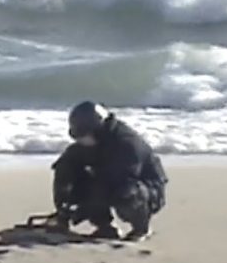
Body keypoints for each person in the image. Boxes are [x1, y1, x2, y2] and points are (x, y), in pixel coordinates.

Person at [50, 101, 168, 242]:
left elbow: (115, 180)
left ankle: (141, 228)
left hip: (146, 189)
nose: (79, 140)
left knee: (127, 192)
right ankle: (106, 228)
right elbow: (64, 167)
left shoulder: (127, 144)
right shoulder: (88, 143)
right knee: (70, 170)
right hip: (108, 180)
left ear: (96, 129)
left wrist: (81, 210)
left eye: (82, 135)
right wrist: (63, 205)